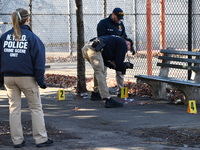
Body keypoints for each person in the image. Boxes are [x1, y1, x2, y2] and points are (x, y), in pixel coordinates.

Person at [0, 8, 53, 148]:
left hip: (9, 77)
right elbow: (39, 61)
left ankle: (17, 140)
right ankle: (41, 139)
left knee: (14, 108)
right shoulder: (32, 38)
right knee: (35, 108)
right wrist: (40, 80)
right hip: (27, 77)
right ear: (27, 19)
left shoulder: (4, 37)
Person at [81, 35, 133, 108]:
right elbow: (118, 63)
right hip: (94, 49)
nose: (128, 45)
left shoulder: (113, 43)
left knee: (98, 71)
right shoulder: (122, 43)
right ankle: (108, 99)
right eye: (128, 44)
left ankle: (96, 93)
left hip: (86, 48)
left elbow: (107, 62)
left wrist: (115, 66)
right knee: (100, 73)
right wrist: (125, 65)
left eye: (129, 45)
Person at [96, 7, 134, 98]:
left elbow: (124, 36)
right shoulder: (103, 23)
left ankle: (121, 90)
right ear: (113, 15)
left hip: (118, 52)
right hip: (105, 52)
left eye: (120, 18)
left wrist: (129, 44)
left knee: (120, 70)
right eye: (118, 18)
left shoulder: (120, 24)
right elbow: (101, 38)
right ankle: (99, 91)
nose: (119, 20)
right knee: (102, 72)